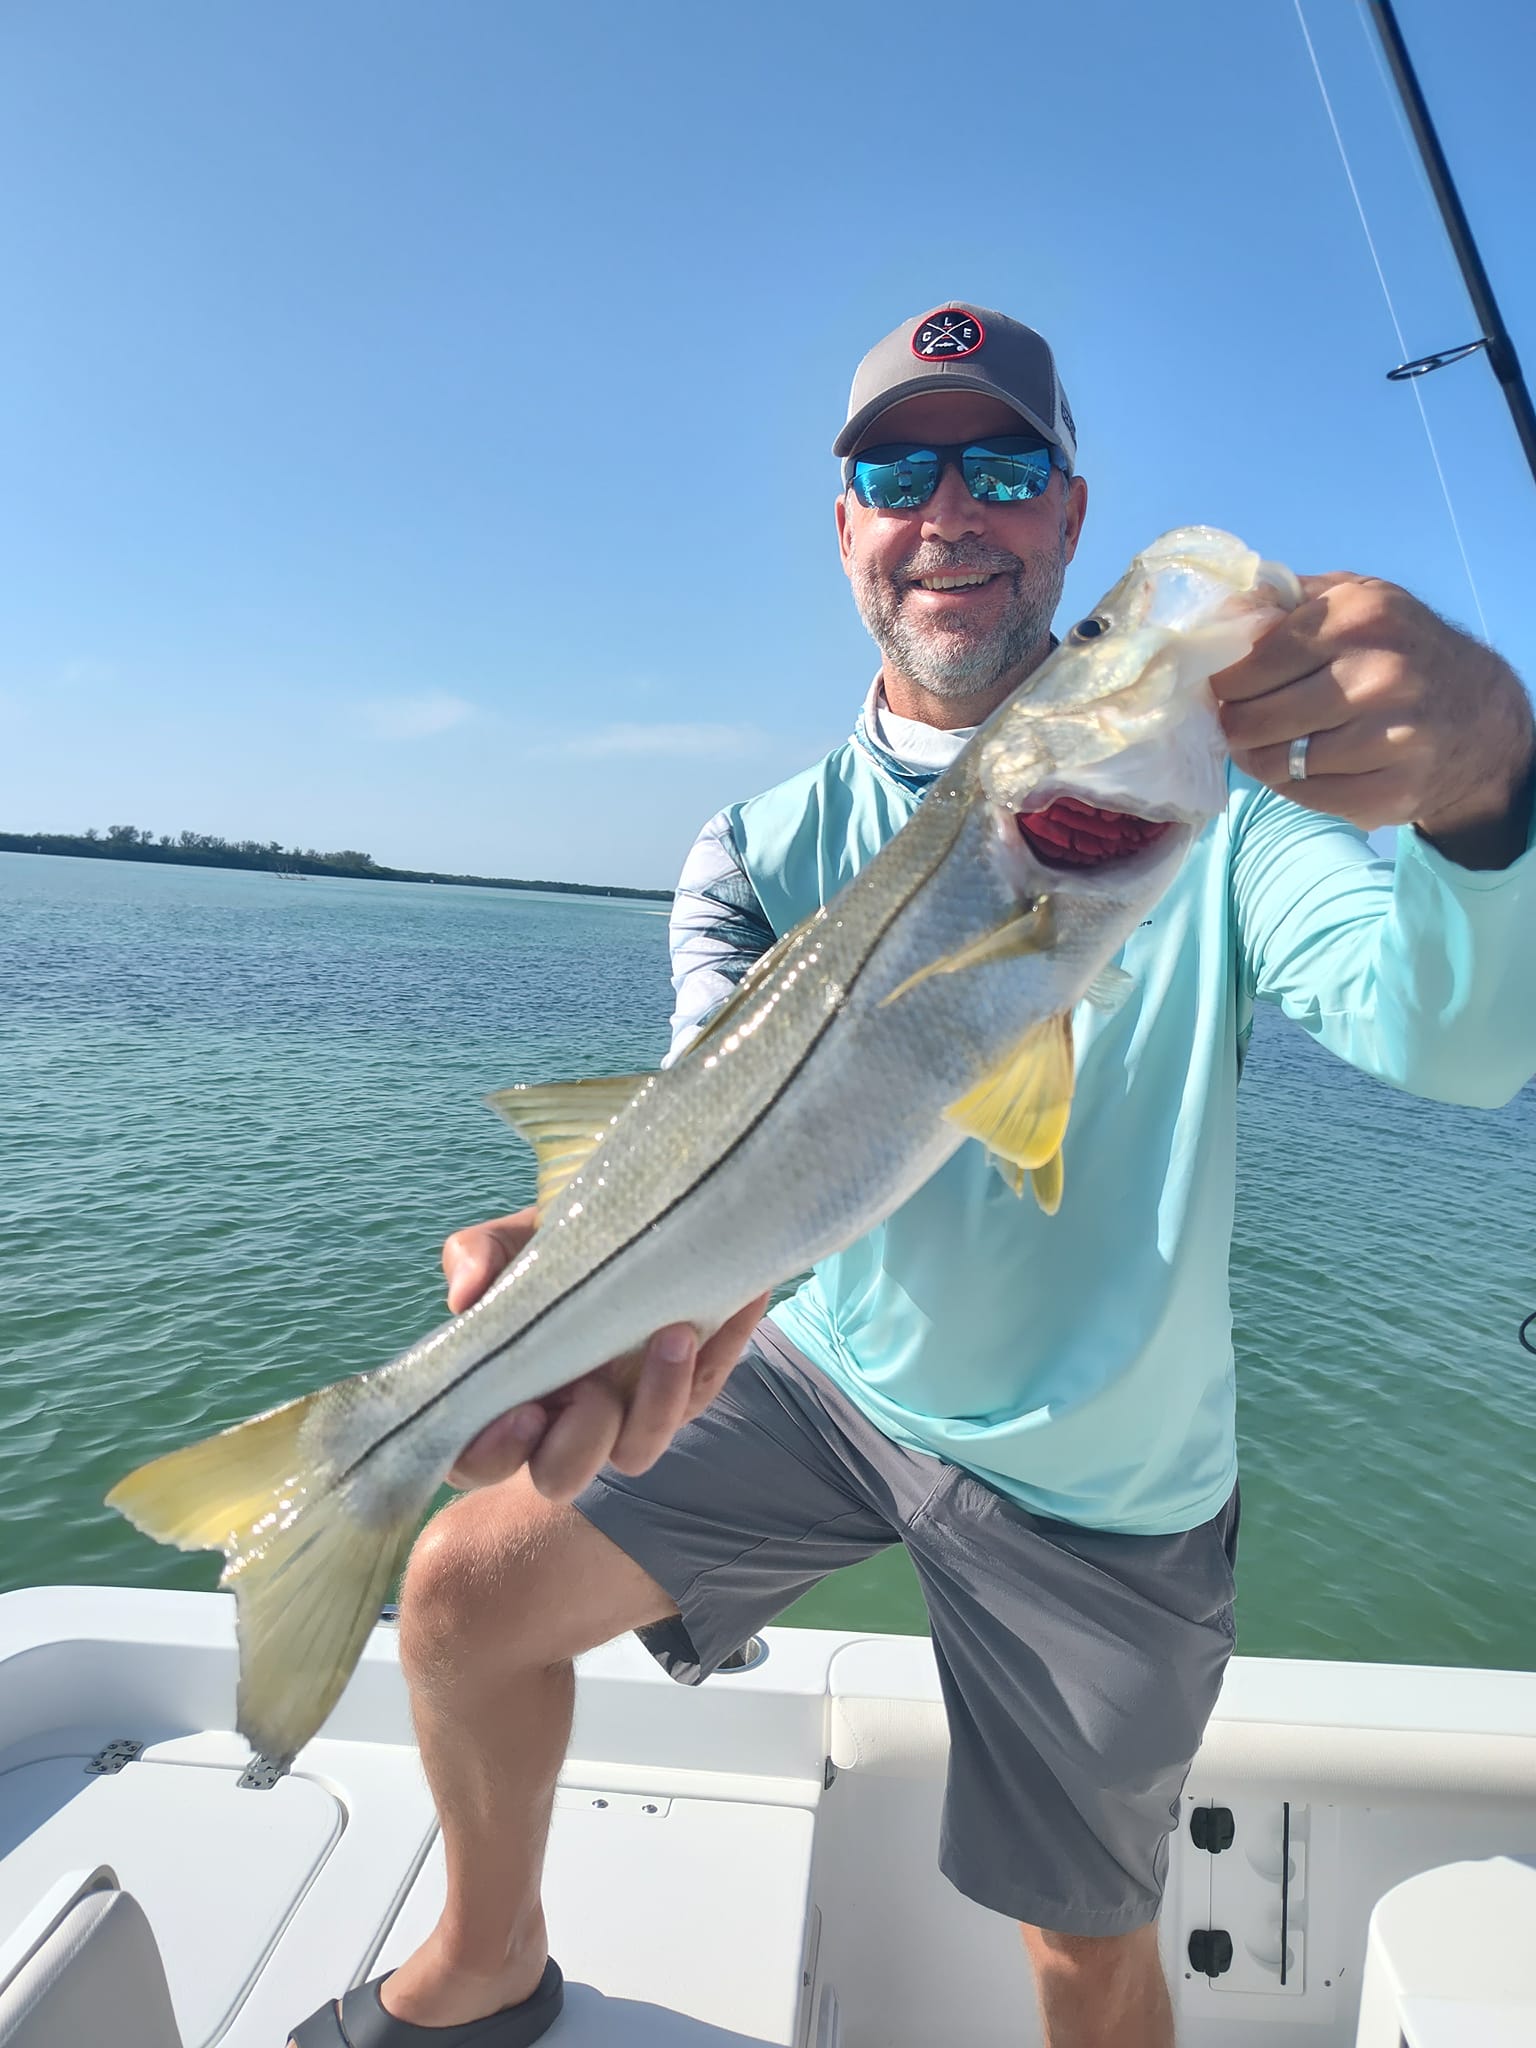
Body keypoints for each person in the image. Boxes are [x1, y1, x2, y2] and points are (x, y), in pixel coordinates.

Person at [290, 304, 1536, 2048]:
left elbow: (1461, 1044)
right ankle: (488, 1953)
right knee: (462, 1592)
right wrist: (599, 1263)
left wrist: (1492, 799)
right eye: (897, 467)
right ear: (849, 522)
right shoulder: (751, 845)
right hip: (821, 1373)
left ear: (1068, 515)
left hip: (1096, 1469)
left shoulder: (1231, 832)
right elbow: (707, 1123)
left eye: (1006, 466)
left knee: (1079, 1945)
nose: (952, 506)